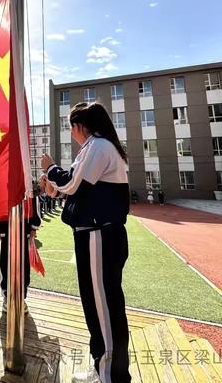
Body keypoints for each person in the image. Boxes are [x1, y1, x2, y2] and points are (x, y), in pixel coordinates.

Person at [41, 102, 131, 383]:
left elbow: (72, 184)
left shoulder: (99, 146)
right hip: (93, 234)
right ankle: (103, 368)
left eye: (71, 126)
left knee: (103, 307)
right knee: (98, 305)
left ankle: (109, 375)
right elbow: (78, 192)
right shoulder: (95, 147)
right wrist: (56, 191)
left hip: (98, 235)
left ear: (81, 126)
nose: (71, 132)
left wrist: (52, 169)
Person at [0, 186, 41, 314]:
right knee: (5, 263)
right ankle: (7, 297)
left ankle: (21, 296)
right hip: (6, 226)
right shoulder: (2, 173)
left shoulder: (26, 175)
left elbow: (33, 198)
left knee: (24, 265)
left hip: (24, 226)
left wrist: (34, 226)